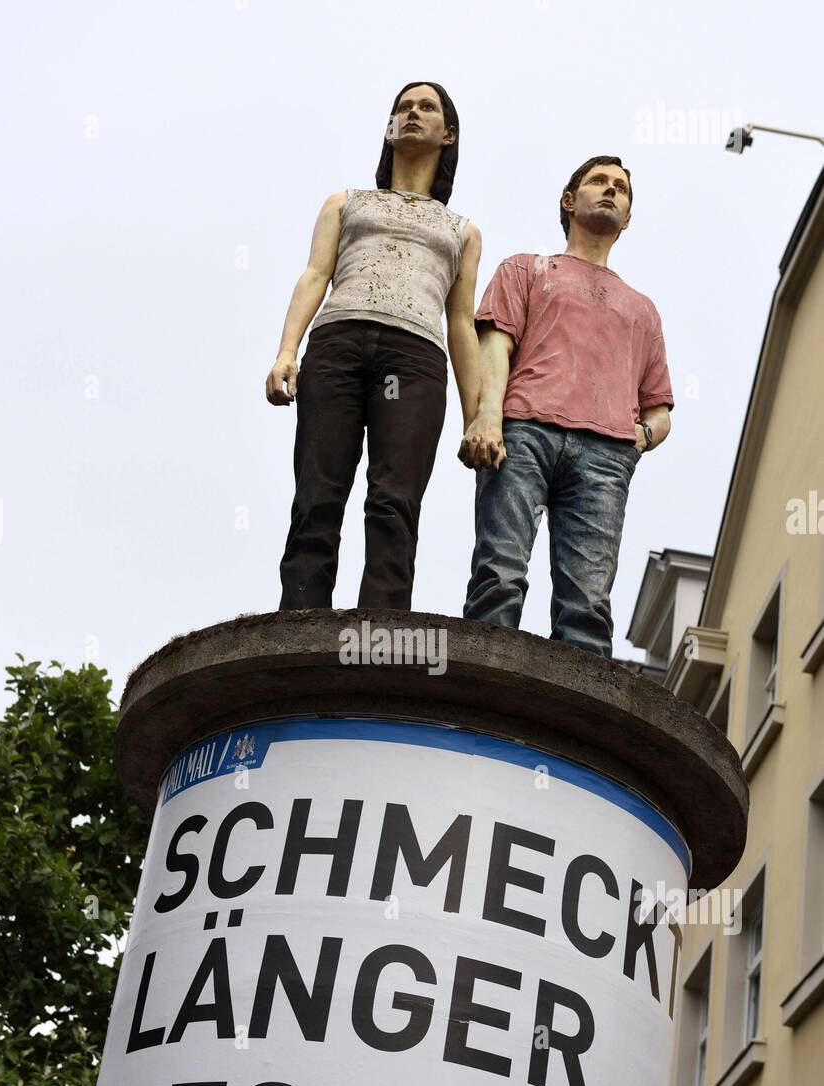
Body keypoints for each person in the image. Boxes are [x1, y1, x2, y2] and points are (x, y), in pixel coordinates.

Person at [267, 81, 482, 611]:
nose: (412, 113)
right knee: (318, 492)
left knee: (394, 500)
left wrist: (477, 416)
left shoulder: (463, 231)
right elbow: (316, 274)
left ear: (448, 133)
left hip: (415, 358)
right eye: (403, 107)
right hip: (338, 343)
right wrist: (285, 352)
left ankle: (380, 635)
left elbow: (460, 321)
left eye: (426, 107)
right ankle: (298, 622)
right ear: (389, 127)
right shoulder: (345, 203)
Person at [459, 155, 673, 657]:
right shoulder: (526, 269)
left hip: (606, 456)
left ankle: (574, 730)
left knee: (589, 605)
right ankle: (480, 696)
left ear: (629, 217)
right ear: (569, 200)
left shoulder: (642, 309)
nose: (611, 191)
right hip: (522, 433)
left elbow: (659, 408)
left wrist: (638, 438)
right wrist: (487, 418)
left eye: (621, 188)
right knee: (499, 574)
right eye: (598, 182)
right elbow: (495, 347)